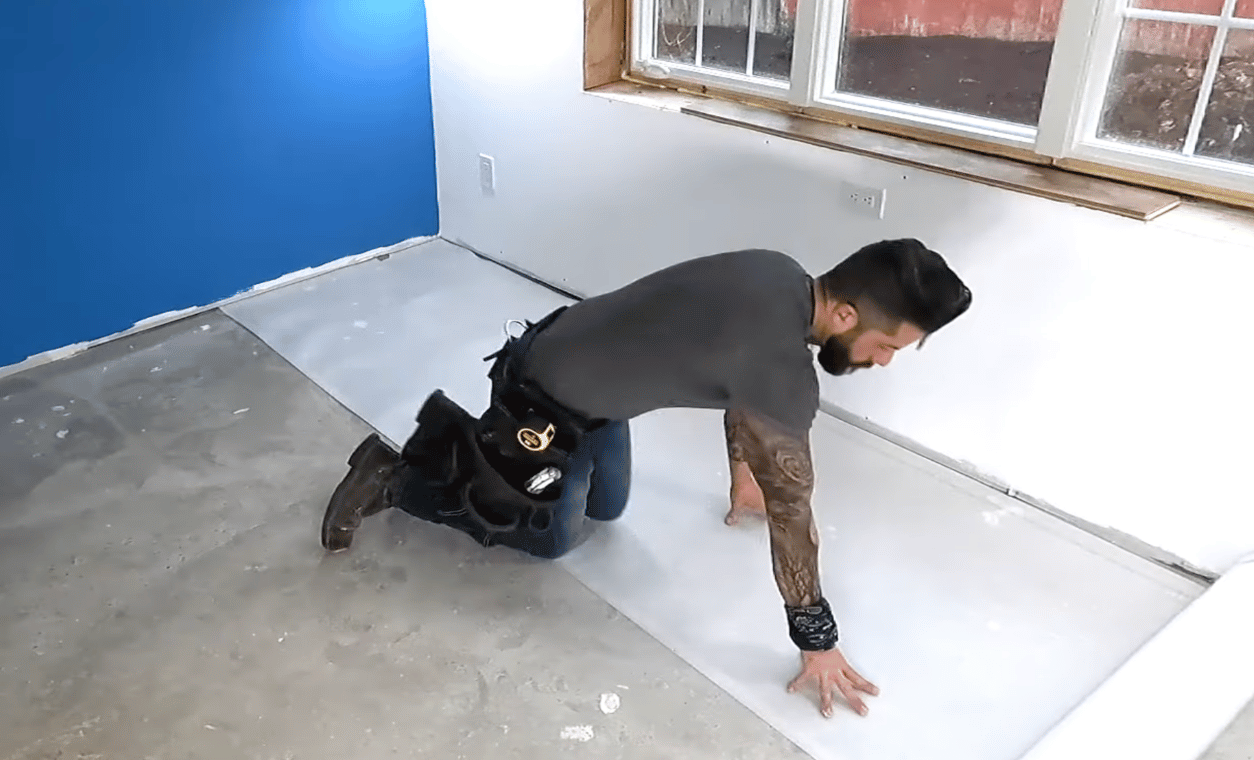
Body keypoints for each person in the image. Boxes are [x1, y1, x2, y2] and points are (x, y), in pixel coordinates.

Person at [318, 240, 971, 719]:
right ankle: (398, 476)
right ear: (849, 318)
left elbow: (736, 386)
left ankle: (501, 462)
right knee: (553, 542)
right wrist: (817, 640)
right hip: (541, 402)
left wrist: (744, 473)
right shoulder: (781, 370)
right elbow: (793, 514)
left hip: (578, 367)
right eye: (888, 346)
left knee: (612, 508)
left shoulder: (778, 273)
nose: (883, 363)